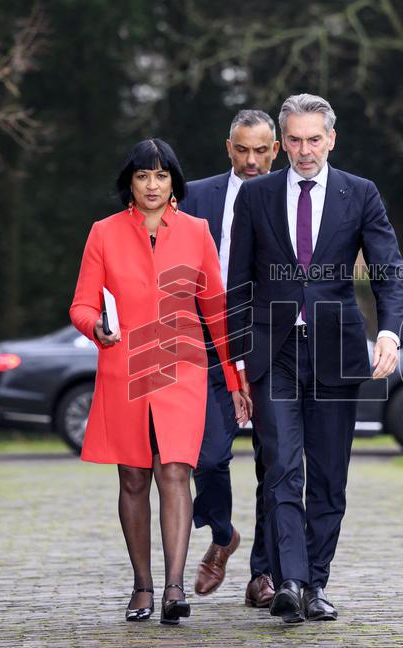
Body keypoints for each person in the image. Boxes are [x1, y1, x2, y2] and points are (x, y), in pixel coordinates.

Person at [226, 93, 403, 623]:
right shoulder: (256, 197)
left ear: (331, 139)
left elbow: (389, 270)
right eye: (296, 141)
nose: (305, 151)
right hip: (273, 350)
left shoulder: (360, 194)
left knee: (328, 476)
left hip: (337, 350)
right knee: (281, 468)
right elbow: (236, 284)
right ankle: (291, 582)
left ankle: (316, 581)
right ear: (282, 143)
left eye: (314, 139)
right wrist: (237, 360)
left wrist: (390, 333)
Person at [69, 138, 250, 626]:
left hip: (182, 368)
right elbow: (82, 304)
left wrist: (234, 377)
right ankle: (141, 586)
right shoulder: (103, 233)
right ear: (130, 182)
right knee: (133, 476)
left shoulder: (196, 231)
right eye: (143, 176)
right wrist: (95, 328)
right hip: (123, 368)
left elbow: (216, 311)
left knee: (175, 471)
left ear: (175, 183)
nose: (152, 185)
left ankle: (173, 587)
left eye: (161, 176)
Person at [179, 110, 280, 607]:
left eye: (261, 150)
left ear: (276, 150)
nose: (252, 160)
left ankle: (262, 574)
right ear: (228, 147)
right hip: (203, 346)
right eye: (242, 149)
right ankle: (222, 533)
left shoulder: (291, 198)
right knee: (208, 456)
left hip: (265, 344)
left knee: (273, 462)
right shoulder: (195, 197)